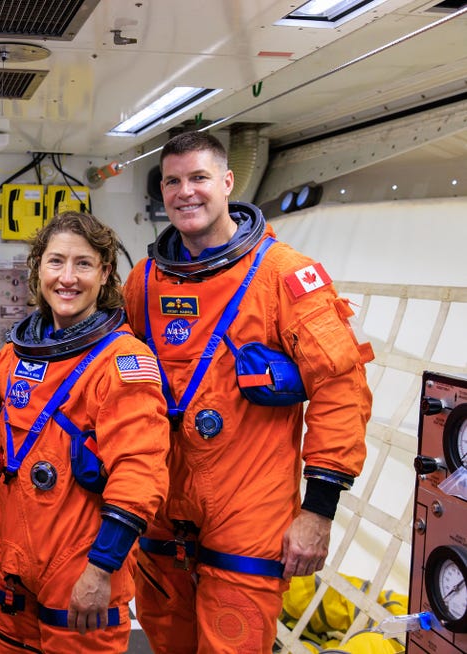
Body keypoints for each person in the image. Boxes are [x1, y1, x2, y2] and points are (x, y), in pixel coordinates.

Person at [123, 130, 374, 653]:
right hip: (162, 508)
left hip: (249, 509)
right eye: (172, 181)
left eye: (199, 178)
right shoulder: (144, 282)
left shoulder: (285, 275)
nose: (185, 192)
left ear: (227, 182)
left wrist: (318, 511)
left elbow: (341, 387)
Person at [0, 211, 171, 653]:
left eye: (83, 264)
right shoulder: (13, 355)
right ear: (38, 268)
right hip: (11, 572)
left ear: (105, 273)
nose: (67, 278)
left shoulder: (123, 361)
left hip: (80, 574)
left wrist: (101, 568)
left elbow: (140, 474)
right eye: (56, 262)